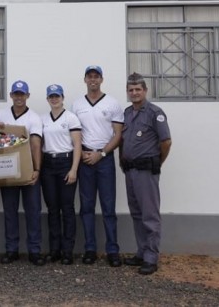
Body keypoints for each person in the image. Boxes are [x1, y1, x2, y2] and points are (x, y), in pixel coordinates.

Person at [71, 65, 124, 267]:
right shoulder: (77, 105)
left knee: (108, 207)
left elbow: (118, 134)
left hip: (104, 159)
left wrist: (101, 154)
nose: (93, 80)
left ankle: (112, 250)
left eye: (96, 76)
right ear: (85, 80)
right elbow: (73, 132)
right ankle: (90, 249)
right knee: (86, 207)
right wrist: (83, 153)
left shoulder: (112, 104)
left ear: (101, 79)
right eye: (89, 76)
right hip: (85, 159)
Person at [120, 73, 172, 275]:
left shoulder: (154, 113)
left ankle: (151, 257)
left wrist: (157, 162)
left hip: (146, 171)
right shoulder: (126, 113)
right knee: (136, 214)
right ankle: (141, 252)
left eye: (138, 89)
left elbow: (166, 142)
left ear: (145, 91)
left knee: (149, 215)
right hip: (130, 170)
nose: (134, 93)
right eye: (131, 90)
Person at [0, 80, 45, 266]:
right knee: (10, 210)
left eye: (22, 94)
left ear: (27, 96)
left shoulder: (33, 117)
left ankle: (34, 250)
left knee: (33, 210)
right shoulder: (2, 114)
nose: (19, 97)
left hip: (28, 168)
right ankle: (11, 249)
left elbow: (35, 144)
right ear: (11, 95)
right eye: (16, 94)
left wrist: (36, 169)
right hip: (7, 167)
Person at [40, 84, 82, 265]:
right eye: (51, 96)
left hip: (66, 162)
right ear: (48, 99)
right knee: (52, 209)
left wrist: (73, 169)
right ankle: (54, 249)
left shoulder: (71, 118)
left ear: (63, 98)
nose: (54, 99)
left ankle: (67, 251)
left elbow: (78, 145)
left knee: (67, 208)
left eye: (57, 96)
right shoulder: (42, 119)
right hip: (48, 164)